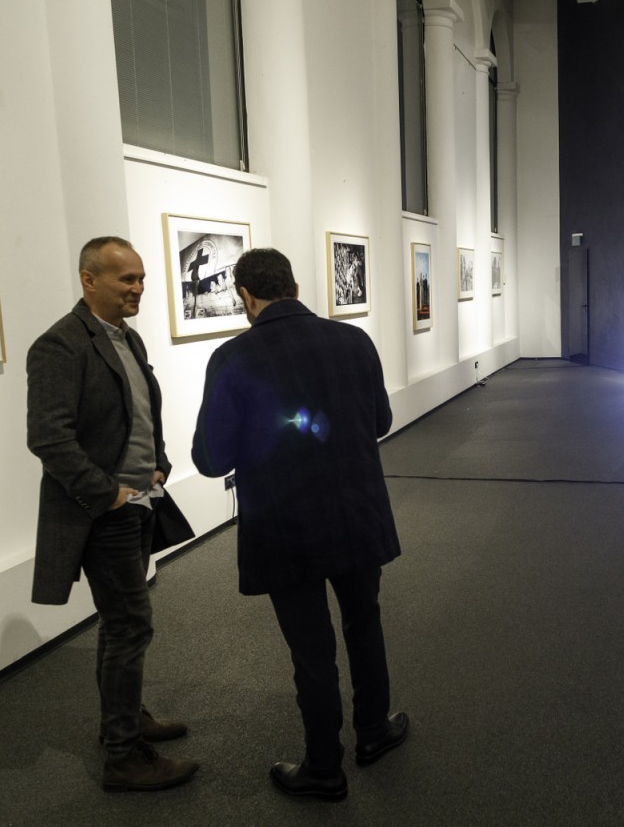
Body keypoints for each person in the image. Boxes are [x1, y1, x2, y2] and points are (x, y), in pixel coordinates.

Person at [192, 248, 405, 803]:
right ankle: (374, 731)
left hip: (284, 528)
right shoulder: (354, 341)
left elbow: (211, 459)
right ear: (295, 286)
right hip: (355, 514)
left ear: (245, 295)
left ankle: (324, 767)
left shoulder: (233, 357)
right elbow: (381, 421)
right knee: (364, 624)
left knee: (311, 650)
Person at [27, 236, 198, 792]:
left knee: (120, 623)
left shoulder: (128, 337)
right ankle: (124, 756)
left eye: (141, 278)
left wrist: (159, 464)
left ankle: (122, 722)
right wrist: (107, 494)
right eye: (126, 279)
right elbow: (48, 438)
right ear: (89, 279)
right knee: (130, 625)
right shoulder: (60, 344)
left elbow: (140, 411)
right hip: (106, 513)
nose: (138, 288)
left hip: (141, 501)